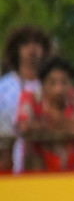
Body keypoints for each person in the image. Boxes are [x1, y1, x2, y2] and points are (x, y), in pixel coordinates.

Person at [15, 57, 74, 172]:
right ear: (42, 85)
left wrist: (66, 125)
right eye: (52, 83)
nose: (59, 89)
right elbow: (24, 127)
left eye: (64, 82)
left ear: (71, 83)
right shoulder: (30, 99)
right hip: (39, 170)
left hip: (73, 172)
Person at [0, 25, 53, 172]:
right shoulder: (4, 87)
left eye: (37, 43)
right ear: (16, 49)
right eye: (25, 43)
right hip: (8, 163)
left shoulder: (52, 87)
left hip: (44, 165)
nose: (32, 48)